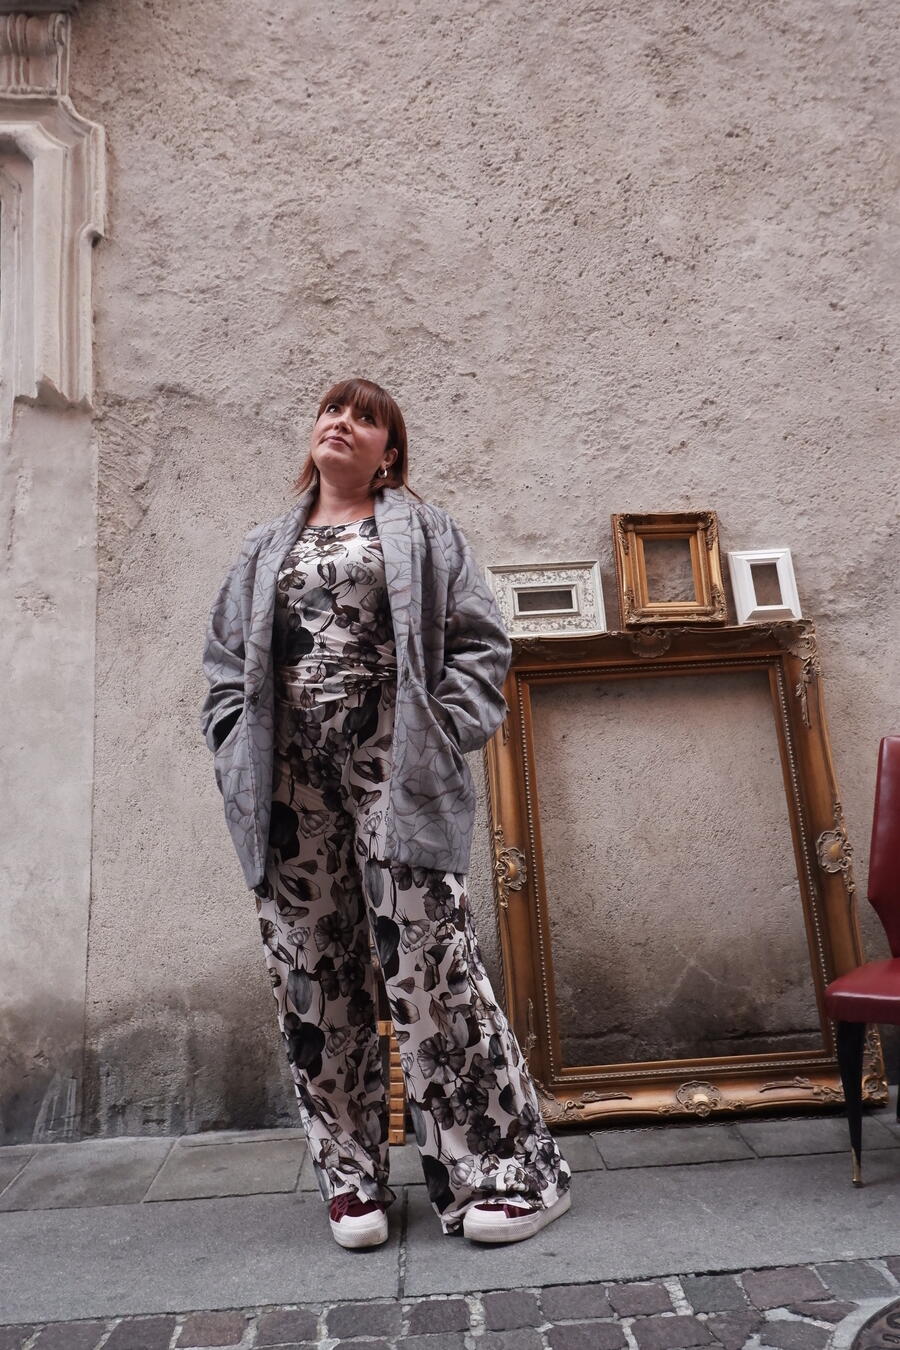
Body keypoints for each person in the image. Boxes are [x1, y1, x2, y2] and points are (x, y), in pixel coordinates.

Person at [201, 377, 572, 1249]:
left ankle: (509, 1173)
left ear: (389, 453)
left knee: (431, 969)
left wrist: (439, 731)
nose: (342, 422)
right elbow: (224, 661)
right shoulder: (263, 546)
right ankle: (352, 1180)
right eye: (333, 410)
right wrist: (231, 743)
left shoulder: (427, 531)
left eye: (365, 417)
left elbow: (482, 644)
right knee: (312, 977)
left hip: (395, 777)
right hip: (290, 790)